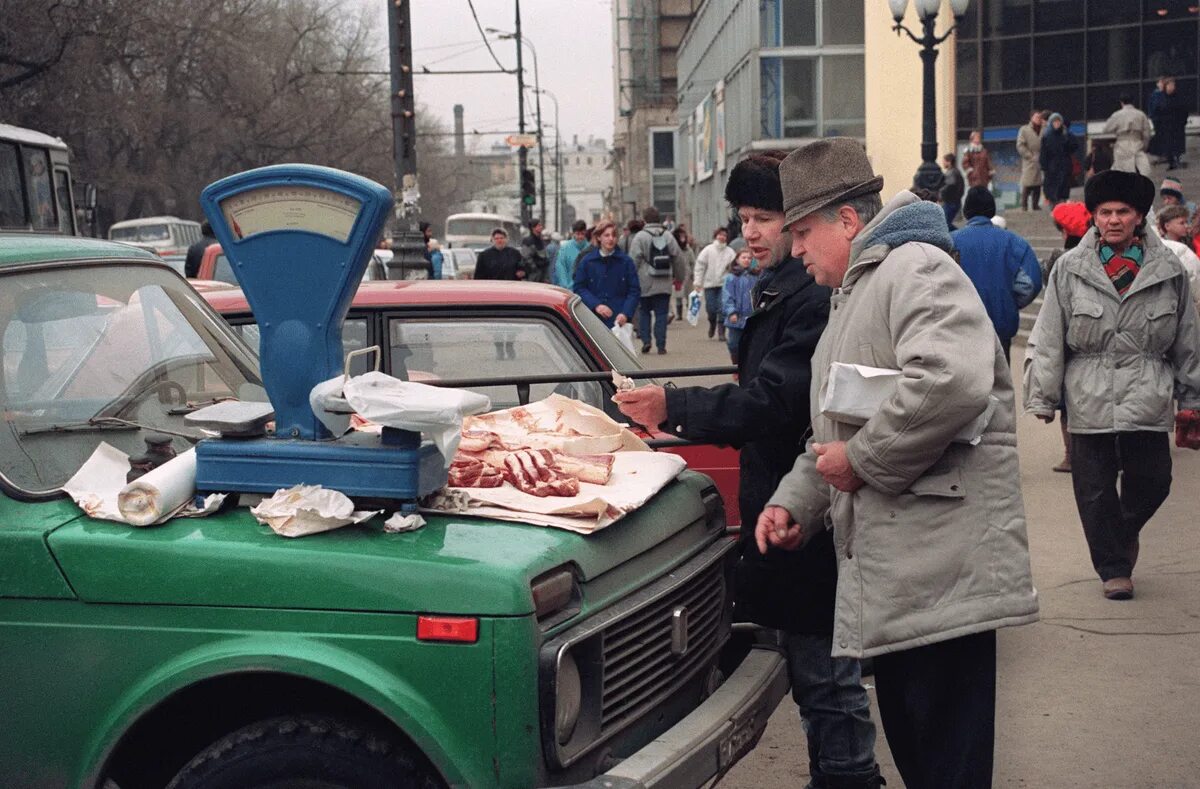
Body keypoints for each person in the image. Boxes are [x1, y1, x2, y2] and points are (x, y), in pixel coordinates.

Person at [758, 137, 1039, 789]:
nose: (795, 249)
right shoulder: (855, 297)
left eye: (803, 232)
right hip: (910, 579)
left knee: (945, 767)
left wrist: (860, 461)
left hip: (939, 576)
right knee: (925, 761)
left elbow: (950, 380)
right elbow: (838, 422)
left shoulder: (914, 269)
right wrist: (795, 501)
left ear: (848, 221)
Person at [614, 150, 882, 789]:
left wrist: (673, 406)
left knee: (825, 672)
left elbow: (774, 400)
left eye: (768, 218)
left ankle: (849, 778)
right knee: (812, 667)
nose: (752, 232)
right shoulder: (781, 288)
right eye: (744, 217)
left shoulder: (814, 297)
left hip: (814, 508)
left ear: (809, 223)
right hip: (787, 501)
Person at [1024, 169, 1200, 601]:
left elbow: (1187, 339)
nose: (1114, 220)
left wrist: (1191, 398)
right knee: (1094, 488)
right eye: (1105, 212)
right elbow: (1048, 335)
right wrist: (1043, 395)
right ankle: (1115, 569)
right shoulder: (1069, 268)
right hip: (1088, 394)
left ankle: (1120, 532)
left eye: (1123, 212)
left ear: (1139, 217)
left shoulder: (1169, 270)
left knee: (1155, 479)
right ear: (1094, 217)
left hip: (1147, 389)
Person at [950, 187, 1042, 362]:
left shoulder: (950, 242)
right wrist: (1008, 302)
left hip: (959, 332)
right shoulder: (1015, 242)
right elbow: (1031, 283)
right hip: (1000, 332)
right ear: (992, 210)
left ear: (966, 211)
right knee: (1000, 387)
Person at [1042, 201, 1093, 473]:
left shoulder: (1057, 259)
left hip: (1066, 337)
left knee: (1066, 403)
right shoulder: (1100, 256)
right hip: (1093, 335)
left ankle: (1071, 456)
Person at [628, 206, 688, 354]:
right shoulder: (667, 235)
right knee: (662, 314)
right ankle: (661, 345)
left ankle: (646, 341)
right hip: (664, 281)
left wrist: (631, 281)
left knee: (644, 312)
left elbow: (633, 260)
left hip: (644, 282)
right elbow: (678, 258)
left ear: (644, 220)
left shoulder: (640, 237)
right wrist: (679, 277)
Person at [573, 219, 639, 329]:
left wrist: (625, 313)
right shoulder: (587, 261)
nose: (611, 239)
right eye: (606, 235)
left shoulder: (626, 262)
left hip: (619, 320)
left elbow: (634, 290)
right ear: (599, 237)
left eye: (613, 235)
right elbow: (579, 288)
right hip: (594, 319)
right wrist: (596, 305)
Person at [1155, 205, 1200, 317]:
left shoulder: (1191, 244)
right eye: (1181, 223)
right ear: (1167, 225)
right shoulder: (1163, 249)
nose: (1186, 226)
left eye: (1186, 222)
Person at [693, 227, 736, 340]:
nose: (722, 237)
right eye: (720, 235)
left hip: (724, 285)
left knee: (722, 308)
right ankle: (712, 323)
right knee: (711, 308)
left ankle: (721, 330)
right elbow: (700, 266)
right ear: (716, 236)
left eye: (724, 235)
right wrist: (698, 281)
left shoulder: (730, 252)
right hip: (709, 284)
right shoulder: (708, 250)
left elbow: (735, 267)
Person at [721, 247, 758, 368]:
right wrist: (731, 312)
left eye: (749, 258)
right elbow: (727, 296)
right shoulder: (731, 278)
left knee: (751, 344)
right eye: (744, 257)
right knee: (734, 344)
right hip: (736, 317)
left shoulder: (756, 276)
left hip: (752, 316)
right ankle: (736, 365)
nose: (747, 260)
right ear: (737, 259)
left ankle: (747, 367)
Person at [1103, 94, 1153, 175]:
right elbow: (1147, 133)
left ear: (1121, 102)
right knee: (1144, 169)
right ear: (1133, 102)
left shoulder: (1117, 115)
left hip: (1122, 143)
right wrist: (1145, 146)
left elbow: (1106, 129)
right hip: (1137, 142)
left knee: (1122, 169)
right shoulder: (1140, 114)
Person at [1149, 76, 1188, 170]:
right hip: (1165, 125)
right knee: (1168, 144)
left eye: (1173, 85)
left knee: (1177, 145)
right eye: (1170, 85)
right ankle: (1171, 161)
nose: (1172, 87)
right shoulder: (1161, 97)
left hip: (1177, 125)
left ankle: (1177, 160)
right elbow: (1156, 110)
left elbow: (1184, 110)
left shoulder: (1178, 97)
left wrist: (1183, 121)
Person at [1040, 112, 1078, 206]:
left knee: (1063, 188)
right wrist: (1044, 166)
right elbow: (1044, 152)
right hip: (1052, 167)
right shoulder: (1047, 136)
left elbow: (1074, 146)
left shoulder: (1066, 134)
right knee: (1052, 189)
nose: (1057, 124)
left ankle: (1062, 204)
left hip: (1064, 165)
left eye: (1058, 121)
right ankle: (1054, 205)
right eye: (1054, 122)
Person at [1016, 110, 1045, 210]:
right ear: (1031, 118)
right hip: (1029, 160)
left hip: (1041, 159)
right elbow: (1020, 145)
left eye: (1040, 117)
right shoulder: (1024, 129)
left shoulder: (1044, 129)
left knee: (1037, 184)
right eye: (1036, 117)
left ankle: (1035, 204)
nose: (1038, 119)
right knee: (1027, 183)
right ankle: (1024, 205)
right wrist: (1029, 155)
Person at [555, 220, 589, 288]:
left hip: (586, 291)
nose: (580, 237)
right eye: (577, 234)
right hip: (569, 290)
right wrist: (565, 286)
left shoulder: (591, 248)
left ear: (585, 233)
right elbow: (560, 268)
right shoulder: (564, 248)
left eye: (582, 234)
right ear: (573, 234)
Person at [672, 225, 696, 321]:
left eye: (683, 235)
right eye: (680, 235)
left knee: (689, 294)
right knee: (678, 295)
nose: (682, 237)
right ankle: (679, 313)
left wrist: (694, 273)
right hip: (677, 275)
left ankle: (691, 312)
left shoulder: (688, 249)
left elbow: (693, 262)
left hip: (688, 274)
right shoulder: (674, 249)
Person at [939, 152, 965, 230]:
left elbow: (950, 185)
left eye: (944, 161)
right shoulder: (955, 171)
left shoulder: (952, 172)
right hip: (953, 202)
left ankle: (959, 234)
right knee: (945, 223)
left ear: (949, 162)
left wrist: (940, 193)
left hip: (950, 202)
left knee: (944, 224)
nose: (943, 163)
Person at [520, 218, 550, 283]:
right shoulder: (528, 241)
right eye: (538, 225)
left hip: (542, 275)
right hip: (532, 276)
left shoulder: (541, 241)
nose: (541, 227)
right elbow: (526, 257)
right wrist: (534, 268)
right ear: (533, 228)